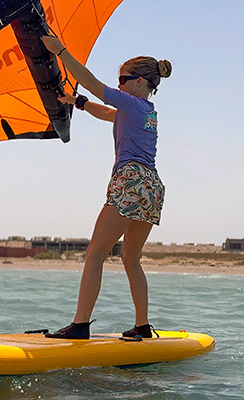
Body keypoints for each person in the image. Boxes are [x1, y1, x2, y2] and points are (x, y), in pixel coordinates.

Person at [40, 35, 172, 339]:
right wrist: (80, 104)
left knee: (96, 252)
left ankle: (80, 324)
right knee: (130, 258)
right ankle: (142, 325)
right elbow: (108, 113)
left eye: (122, 80)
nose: (119, 84)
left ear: (139, 82)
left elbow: (90, 81)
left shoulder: (132, 101)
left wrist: (60, 50)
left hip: (131, 180)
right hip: (152, 187)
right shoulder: (147, 112)